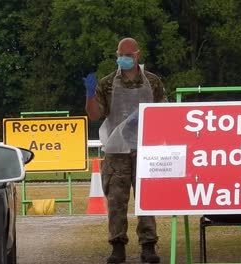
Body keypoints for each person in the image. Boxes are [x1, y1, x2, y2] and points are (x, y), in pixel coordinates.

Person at [84, 37, 167, 264]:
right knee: (116, 201)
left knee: (146, 199)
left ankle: (148, 245)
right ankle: (117, 246)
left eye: (128, 56)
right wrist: (90, 95)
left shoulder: (153, 81)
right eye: (121, 55)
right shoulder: (108, 83)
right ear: (116, 54)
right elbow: (94, 115)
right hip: (116, 151)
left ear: (137, 55)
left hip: (145, 149)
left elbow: (164, 112)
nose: (124, 59)